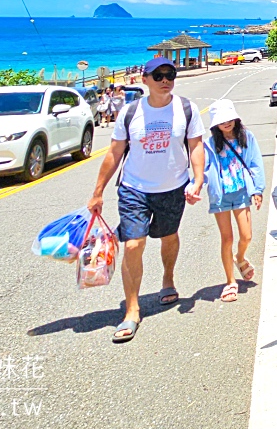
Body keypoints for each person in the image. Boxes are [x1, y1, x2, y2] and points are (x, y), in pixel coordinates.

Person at [88, 56, 205, 343]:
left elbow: (196, 146)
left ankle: (167, 279)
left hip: (172, 188)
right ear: (145, 80)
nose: (165, 80)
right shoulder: (130, 112)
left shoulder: (186, 110)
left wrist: (197, 179)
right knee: (133, 244)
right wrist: (98, 191)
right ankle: (132, 310)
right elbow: (114, 153)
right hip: (134, 188)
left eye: (170, 75)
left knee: (169, 236)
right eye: (158, 75)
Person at [202, 99, 264, 302]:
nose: (226, 123)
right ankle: (230, 282)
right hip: (220, 194)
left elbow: (255, 163)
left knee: (246, 236)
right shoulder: (210, 143)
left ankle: (240, 257)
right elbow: (203, 168)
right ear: (215, 124)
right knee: (226, 238)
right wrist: (195, 186)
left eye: (229, 119)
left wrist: (257, 189)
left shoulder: (247, 137)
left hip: (241, 192)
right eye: (222, 121)